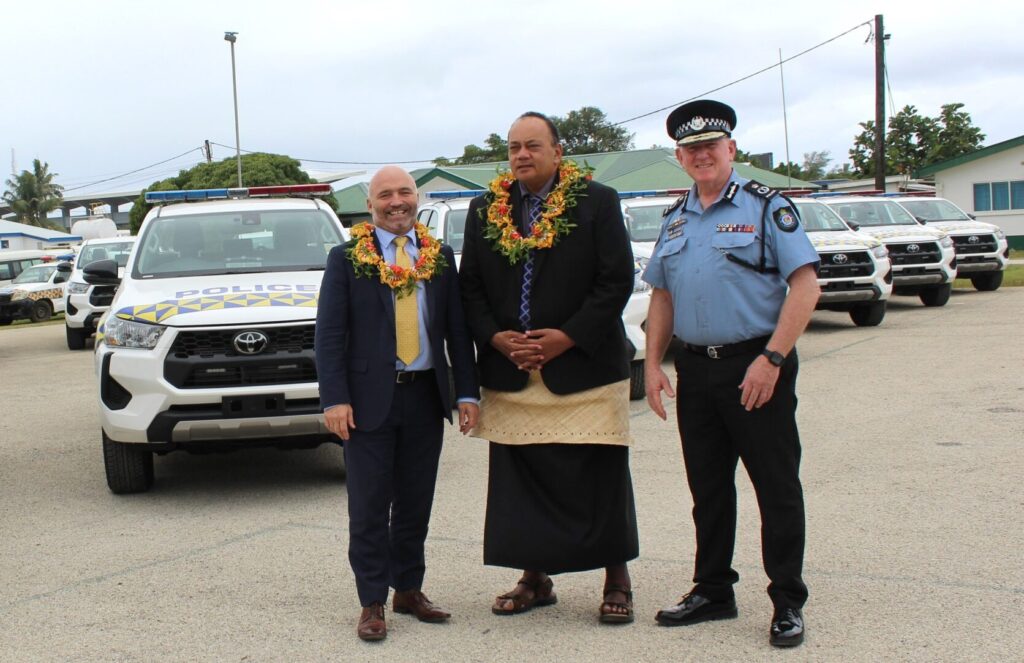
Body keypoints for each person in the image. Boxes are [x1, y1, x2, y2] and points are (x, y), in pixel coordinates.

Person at [642, 100, 821, 648]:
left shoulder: (769, 207)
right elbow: (663, 296)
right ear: (680, 157)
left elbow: (806, 285)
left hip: (755, 366)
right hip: (698, 370)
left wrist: (773, 359)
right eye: (691, 150)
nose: (702, 156)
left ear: (731, 150)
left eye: (711, 147)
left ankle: (787, 599)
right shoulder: (675, 219)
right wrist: (652, 364)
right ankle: (713, 589)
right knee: (709, 489)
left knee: (775, 486)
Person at [459, 111, 640, 623]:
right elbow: (468, 285)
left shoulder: (598, 202)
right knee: (522, 481)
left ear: (558, 152)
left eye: (533, 146)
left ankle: (617, 579)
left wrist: (566, 338)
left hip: (584, 367)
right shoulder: (483, 210)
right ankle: (534, 578)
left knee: (600, 473)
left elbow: (615, 281)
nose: (521, 155)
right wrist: (496, 338)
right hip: (511, 368)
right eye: (514, 147)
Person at [315, 166, 480, 642]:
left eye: (404, 192)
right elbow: (328, 336)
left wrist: (466, 392)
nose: (396, 201)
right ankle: (372, 601)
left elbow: (457, 331)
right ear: (371, 205)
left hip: (426, 396)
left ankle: (408, 588)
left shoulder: (440, 256)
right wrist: (335, 398)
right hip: (367, 402)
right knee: (368, 504)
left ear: (417, 197)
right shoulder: (346, 258)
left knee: (415, 501)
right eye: (385, 195)